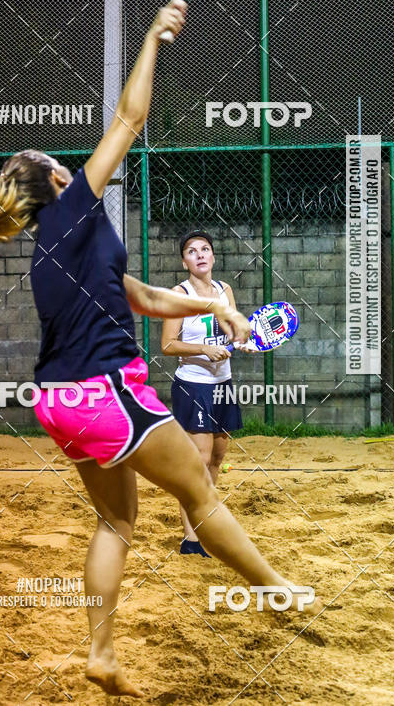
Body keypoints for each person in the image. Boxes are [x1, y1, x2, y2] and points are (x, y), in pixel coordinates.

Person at [0, 0, 312, 699]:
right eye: (66, 166)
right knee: (201, 495)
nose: (76, 168)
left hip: (60, 407)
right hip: (106, 395)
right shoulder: (72, 208)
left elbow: (146, 299)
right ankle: (276, 589)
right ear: (57, 183)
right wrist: (153, 38)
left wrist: (215, 307)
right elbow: (128, 120)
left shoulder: (55, 249)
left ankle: (100, 651)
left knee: (117, 521)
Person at [161, 230, 242, 557]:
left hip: (223, 383)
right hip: (193, 385)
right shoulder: (176, 296)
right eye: (192, 251)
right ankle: (191, 538)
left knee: (218, 457)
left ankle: (204, 520)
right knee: (199, 460)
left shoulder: (225, 290)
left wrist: (241, 340)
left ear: (213, 256)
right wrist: (203, 350)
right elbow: (167, 345)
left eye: (205, 249)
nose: (200, 254)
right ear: (185, 261)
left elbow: (233, 332)